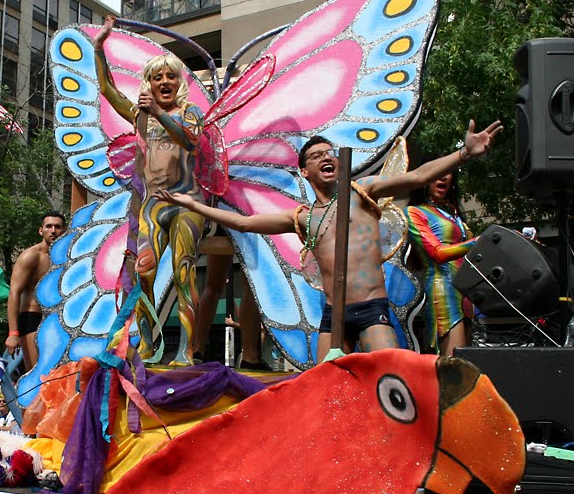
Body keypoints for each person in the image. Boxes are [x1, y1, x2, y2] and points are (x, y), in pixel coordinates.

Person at [156, 120, 502, 362]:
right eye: (316, 155)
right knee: (324, 389)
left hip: (371, 309)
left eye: (330, 153)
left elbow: (418, 176)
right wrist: (192, 204)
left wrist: (464, 153)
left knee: (392, 375)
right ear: (304, 171)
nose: (326, 157)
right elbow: (244, 223)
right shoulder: (303, 217)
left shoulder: (362, 192)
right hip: (332, 315)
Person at [94, 15, 207, 364]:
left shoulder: (190, 112)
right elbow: (108, 91)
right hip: (152, 206)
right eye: (158, 77)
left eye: (170, 76)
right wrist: (98, 48)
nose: (164, 81)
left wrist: (158, 111)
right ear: (149, 83)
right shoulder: (140, 115)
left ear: (179, 82)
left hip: (186, 202)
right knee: (143, 273)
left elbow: (190, 141)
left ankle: (186, 350)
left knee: (184, 273)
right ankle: (146, 342)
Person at [406, 172, 477, 356]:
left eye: (448, 173)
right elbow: (437, 253)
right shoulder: (415, 211)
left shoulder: (452, 212)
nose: (443, 177)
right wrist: (478, 242)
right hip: (444, 289)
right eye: (438, 173)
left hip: (466, 292)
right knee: (454, 361)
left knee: (468, 361)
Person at [5, 212, 67, 370]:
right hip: (32, 318)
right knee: (37, 372)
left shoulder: (68, 257)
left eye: (57, 227)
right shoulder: (31, 256)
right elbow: (14, 293)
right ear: (41, 230)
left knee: (59, 373)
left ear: (64, 230)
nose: (53, 231)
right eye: (49, 226)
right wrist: (13, 333)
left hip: (58, 319)